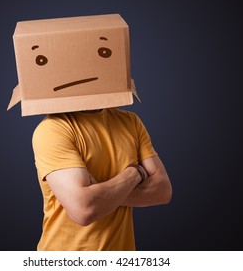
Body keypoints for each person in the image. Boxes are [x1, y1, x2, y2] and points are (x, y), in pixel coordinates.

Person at [32, 107, 172, 251]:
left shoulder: (130, 121)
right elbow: (84, 210)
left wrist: (99, 194)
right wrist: (135, 173)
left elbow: (163, 190)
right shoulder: (52, 130)